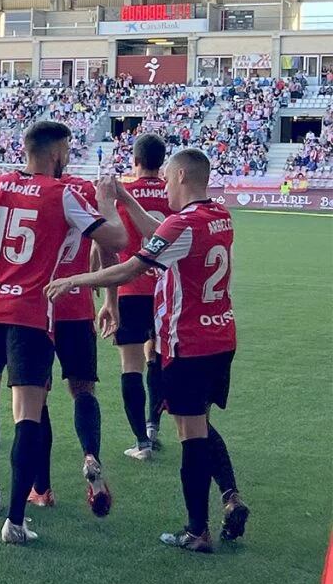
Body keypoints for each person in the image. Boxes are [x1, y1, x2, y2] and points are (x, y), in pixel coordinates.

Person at [0, 121, 127, 545]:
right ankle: (15, 519)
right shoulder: (63, 192)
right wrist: (107, 202)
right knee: (30, 410)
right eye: (67, 150)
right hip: (32, 310)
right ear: (56, 153)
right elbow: (116, 239)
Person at [45, 149, 248, 553]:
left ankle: (197, 531)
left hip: (187, 342)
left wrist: (77, 280)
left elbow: (131, 268)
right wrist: (125, 197)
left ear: (184, 176)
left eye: (171, 179)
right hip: (221, 338)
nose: (166, 186)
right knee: (201, 424)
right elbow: (163, 229)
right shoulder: (218, 215)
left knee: (191, 435)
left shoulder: (182, 224)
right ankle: (230, 496)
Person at [30, 171, 112, 517]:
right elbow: (107, 246)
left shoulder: (29, 191)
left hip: (38, 308)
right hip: (78, 306)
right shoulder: (84, 191)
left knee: (35, 399)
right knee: (83, 390)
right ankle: (90, 453)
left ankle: (42, 489)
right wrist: (111, 301)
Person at [100, 133, 174, 460]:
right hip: (167, 292)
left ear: (135, 160)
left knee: (130, 365)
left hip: (130, 290)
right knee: (156, 357)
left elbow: (105, 246)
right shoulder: (175, 195)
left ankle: (140, 442)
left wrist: (104, 295)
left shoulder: (122, 197)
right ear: (163, 162)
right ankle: (154, 424)